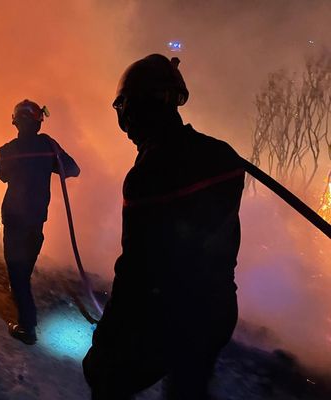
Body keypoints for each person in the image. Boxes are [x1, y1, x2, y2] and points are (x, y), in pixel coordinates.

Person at [83, 54, 245, 399]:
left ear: (135, 107)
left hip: (170, 317)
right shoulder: (222, 155)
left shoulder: (149, 175)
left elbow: (136, 272)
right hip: (217, 310)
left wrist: (105, 342)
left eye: (123, 108)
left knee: (108, 383)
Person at [0, 100, 80, 344]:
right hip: (36, 219)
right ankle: (20, 293)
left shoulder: (7, 149)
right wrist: (50, 162)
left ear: (15, 122)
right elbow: (73, 169)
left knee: (17, 270)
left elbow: (2, 176)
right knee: (23, 267)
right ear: (38, 121)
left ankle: (27, 328)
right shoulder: (48, 145)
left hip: (13, 218)